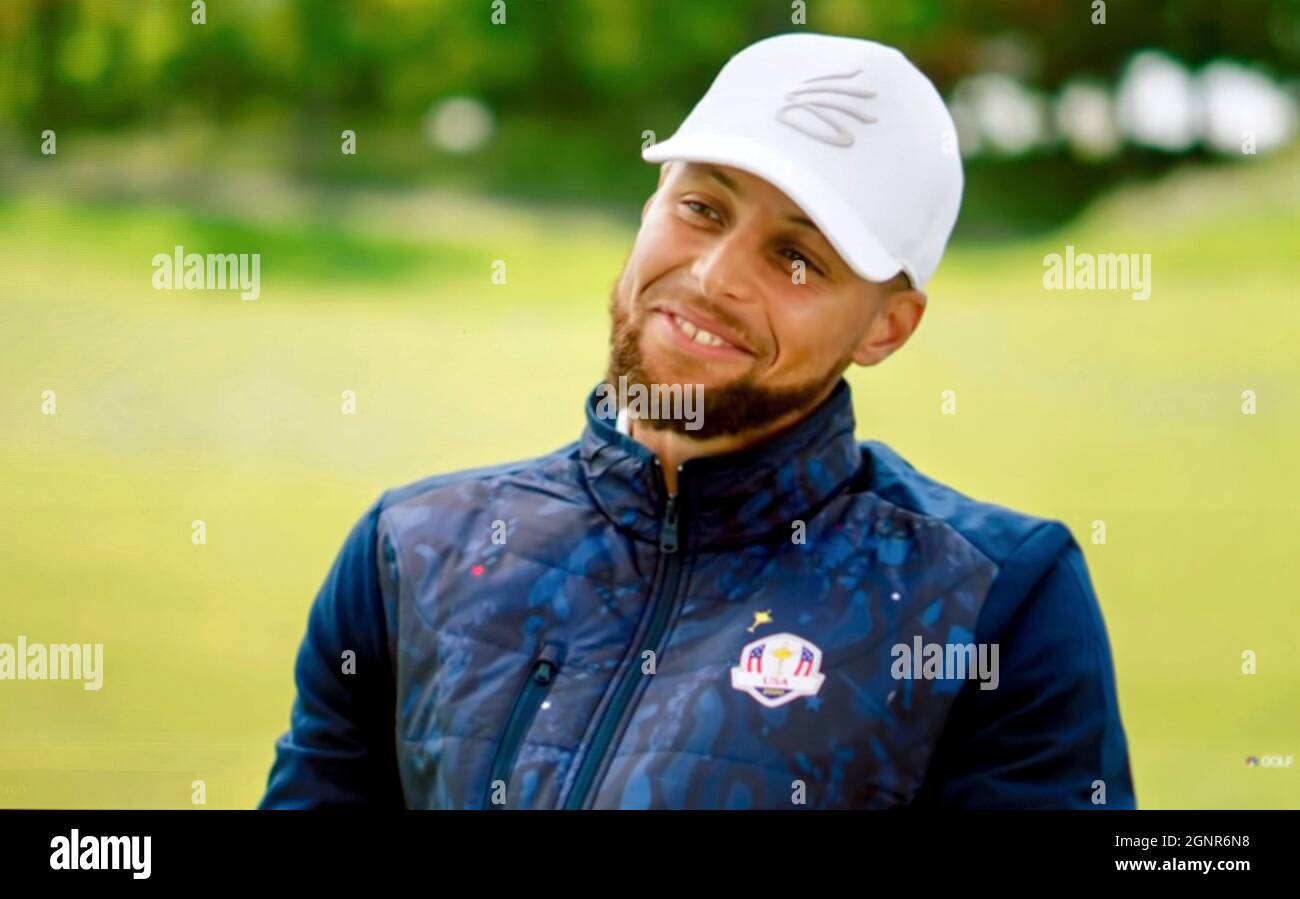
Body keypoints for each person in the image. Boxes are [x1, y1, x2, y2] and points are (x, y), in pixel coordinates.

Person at [260, 32, 1134, 809]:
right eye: (702, 208)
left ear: (886, 327)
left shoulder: (988, 603)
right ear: (650, 206)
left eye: (796, 258)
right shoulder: (409, 551)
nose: (716, 276)